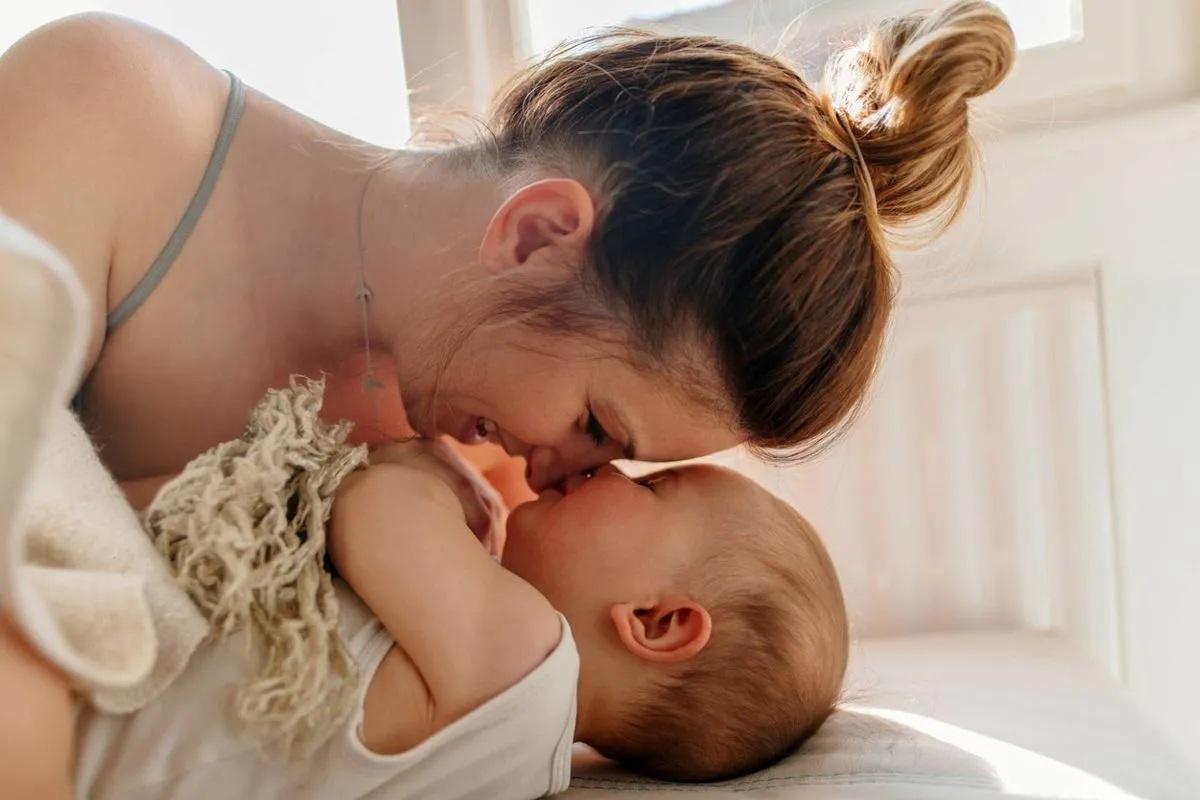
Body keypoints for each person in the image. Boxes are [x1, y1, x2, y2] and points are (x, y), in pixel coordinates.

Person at [71, 442, 847, 798]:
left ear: (656, 622)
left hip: (85, 713)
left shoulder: (529, 660)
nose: (611, 467)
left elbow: (373, 506)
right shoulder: (522, 758)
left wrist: (428, 464)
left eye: (650, 489)